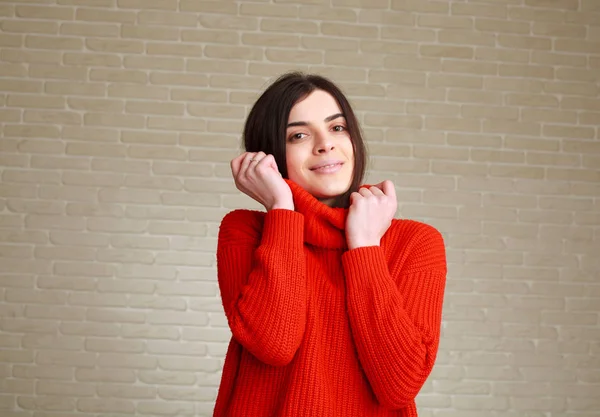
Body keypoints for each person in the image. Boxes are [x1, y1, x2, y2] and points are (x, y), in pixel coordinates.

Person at [214, 72, 447, 417]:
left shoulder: (414, 242)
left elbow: (399, 384)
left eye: (337, 128)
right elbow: (274, 344)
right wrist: (280, 208)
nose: (326, 144)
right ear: (270, 155)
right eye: (298, 135)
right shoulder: (246, 231)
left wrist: (365, 247)